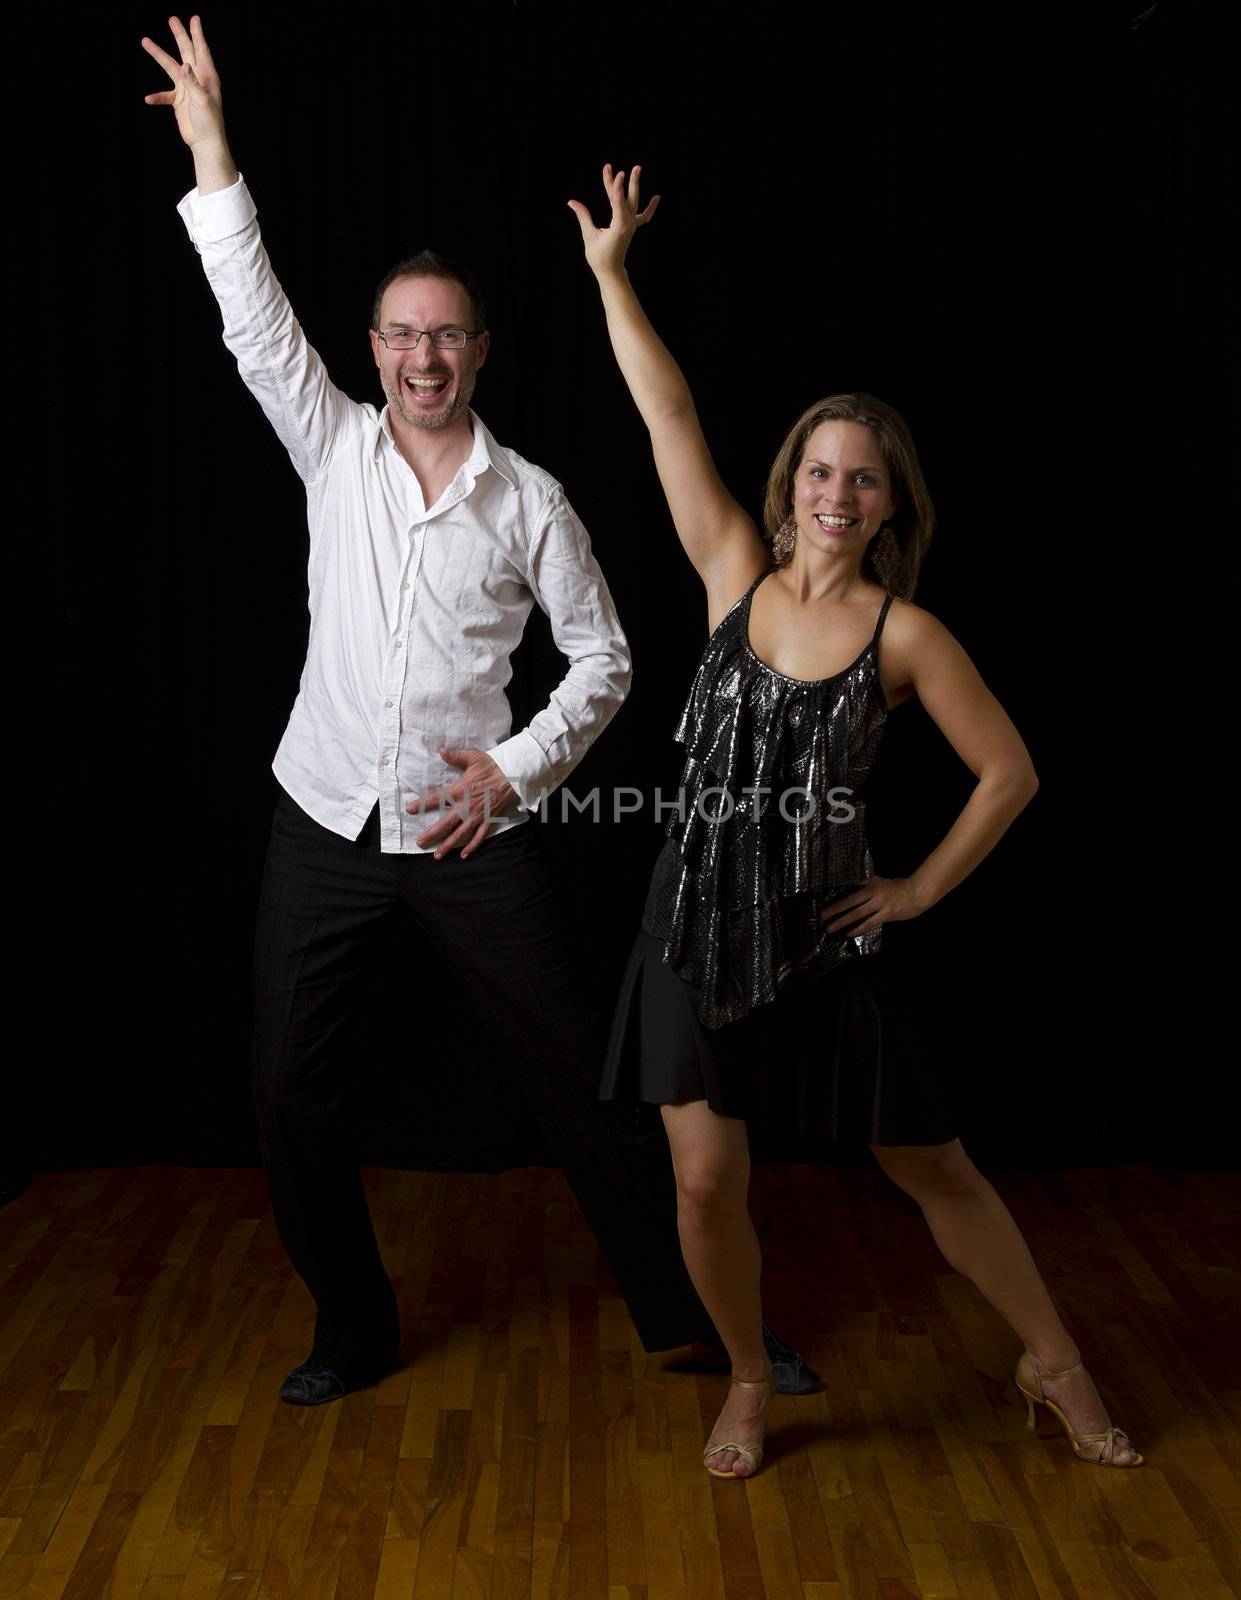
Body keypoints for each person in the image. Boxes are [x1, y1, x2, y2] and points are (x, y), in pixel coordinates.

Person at [138, 17, 819, 1407]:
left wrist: (511, 776)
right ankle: (352, 1328)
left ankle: (699, 1323)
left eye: (444, 336)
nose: (421, 357)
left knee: (585, 1083)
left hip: (469, 831)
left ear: (482, 350)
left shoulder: (533, 502)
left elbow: (606, 660)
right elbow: (250, 311)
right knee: (286, 1093)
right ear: (374, 349)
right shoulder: (329, 445)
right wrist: (212, 150)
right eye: (400, 336)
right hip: (324, 815)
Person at [568, 164, 1143, 1477]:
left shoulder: (905, 634)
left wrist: (917, 892)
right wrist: (610, 274)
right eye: (821, 469)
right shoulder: (729, 569)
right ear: (790, 484)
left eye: (863, 478)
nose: (836, 491)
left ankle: (1052, 1360)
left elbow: (1008, 773)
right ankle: (752, 1378)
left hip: (824, 933)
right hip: (686, 924)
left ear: (888, 506)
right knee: (704, 1183)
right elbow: (664, 410)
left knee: (933, 1169)